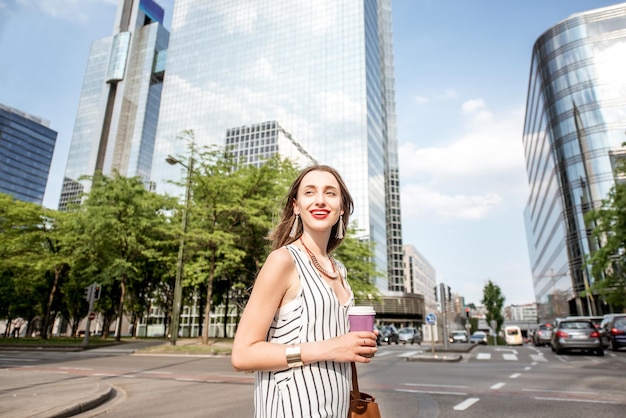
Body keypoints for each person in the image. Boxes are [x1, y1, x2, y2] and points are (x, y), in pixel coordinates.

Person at [232, 165, 378, 418]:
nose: (320, 200)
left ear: (342, 207)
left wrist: (355, 344)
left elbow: (336, 342)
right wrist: (330, 347)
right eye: (309, 192)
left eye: (330, 193)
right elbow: (243, 354)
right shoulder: (283, 260)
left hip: (336, 409)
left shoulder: (339, 269)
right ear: (296, 206)